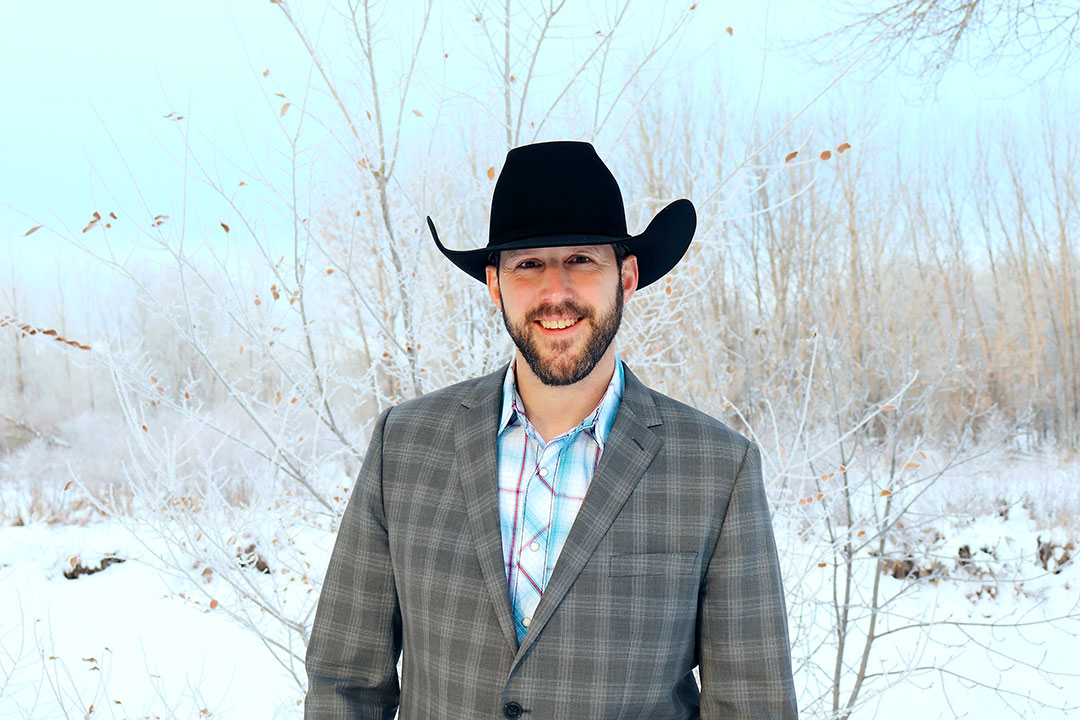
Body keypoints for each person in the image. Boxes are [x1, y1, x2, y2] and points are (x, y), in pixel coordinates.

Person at [304, 141, 798, 719]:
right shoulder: (404, 445)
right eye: (528, 264)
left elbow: (754, 706)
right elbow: (344, 682)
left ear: (628, 275)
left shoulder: (717, 468)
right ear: (495, 284)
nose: (556, 292)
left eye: (582, 259)